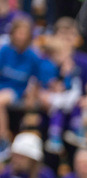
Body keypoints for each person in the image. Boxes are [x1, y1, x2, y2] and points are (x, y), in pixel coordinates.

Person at [43, 17, 87, 158]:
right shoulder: (46, 59)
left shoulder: (85, 61)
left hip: (75, 117)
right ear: (55, 36)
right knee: (50, 161)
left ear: (77, 37)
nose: (66, 38)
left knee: (77, 160)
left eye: (71, 34)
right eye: (62, 34)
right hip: (50, 117)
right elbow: (41, 87)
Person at [0, 16, 50, 157]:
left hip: (15, 91)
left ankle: (3, 141)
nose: (21, 37)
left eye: (24, 33)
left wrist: (32, 95)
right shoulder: (4, 51)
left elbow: (37, 80)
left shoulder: (32, 56)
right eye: (18, 32)